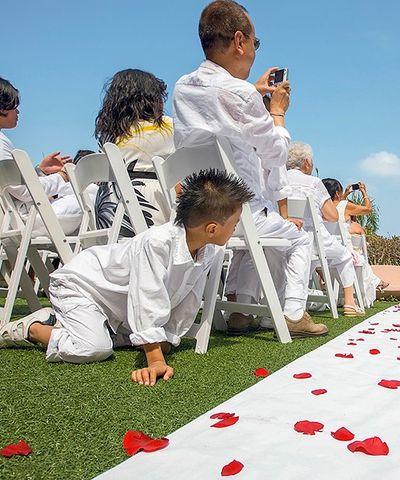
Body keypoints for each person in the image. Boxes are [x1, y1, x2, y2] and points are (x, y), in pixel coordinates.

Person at [0, 169, 253, 385]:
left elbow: (188, 300)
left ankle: (71, 323)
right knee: (94, 348)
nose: (236, 229)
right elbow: (148, 296)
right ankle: (31, 329)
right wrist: (154, 359)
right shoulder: (158, 243)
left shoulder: (207, 251)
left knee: (130, 340)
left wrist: (167, 339)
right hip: (81, 286)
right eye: (235, 223)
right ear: (212, 229)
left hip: (116, 306)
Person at [172, 0, 326, 337]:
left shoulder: (182, 88)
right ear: (240, 41)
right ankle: (294, 314)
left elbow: (217, 112)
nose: (255, 51)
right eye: (255, 43)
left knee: (259, 227)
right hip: (239, 212)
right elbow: (275, 153)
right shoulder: (240, 94)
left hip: (198, 212)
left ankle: (241, 310)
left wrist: (252, 92)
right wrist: (278, 113)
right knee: (299, 239)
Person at [286, 142, 364, 316]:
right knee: (344, 256)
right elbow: (333, 216)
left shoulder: (279, 179)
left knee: (309, 261)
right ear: (306, 162)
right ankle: (350, 304)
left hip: (283, 237)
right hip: (313, 238)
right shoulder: (313, 182)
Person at [0, 77, 83, 236]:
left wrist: (40, 170)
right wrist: (62, 176)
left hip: (14, 218)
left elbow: (14, 186)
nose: (17, 111)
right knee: (89, 198)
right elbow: (25, 191)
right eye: (13, 106)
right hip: (25, 220)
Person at [94, 69, 175, 233]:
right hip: (145, 203)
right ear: (150, 99)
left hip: (108, 205)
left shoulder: (109, 135)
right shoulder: (166, 127)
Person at [323, 178, 388, 302]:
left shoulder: (321, 207)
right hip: (344, 252)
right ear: (337, 193)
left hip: (325, 253)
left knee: (361, 261)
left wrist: (345, 194)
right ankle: (365, 293)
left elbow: (335, 206)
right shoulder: (345, 206)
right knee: (361, 260)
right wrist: (364, 192)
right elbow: (368, 209)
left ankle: (376, 283)